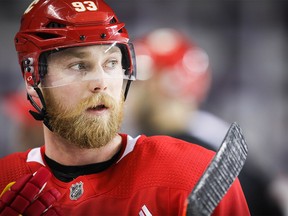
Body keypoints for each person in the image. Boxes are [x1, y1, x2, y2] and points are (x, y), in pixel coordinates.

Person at [0, 0, 250, 215]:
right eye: (79, 66)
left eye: (110, 63)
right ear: (33, 80)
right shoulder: (5, 180)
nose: (101, 84)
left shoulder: (194, 173)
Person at [128, 28, 282, 215]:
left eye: (139, 83)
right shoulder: (209, 132)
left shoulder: (185, 149)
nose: (130, 93)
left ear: (163, 86)